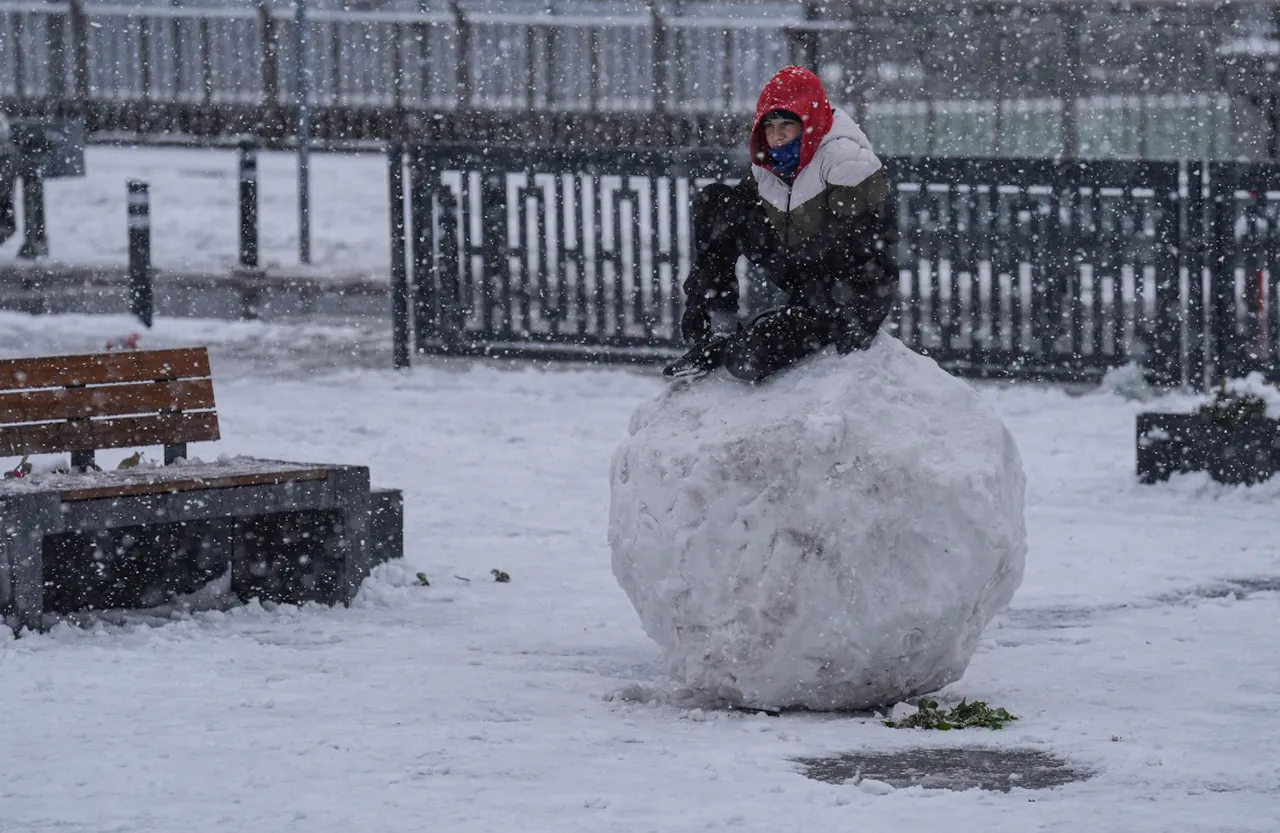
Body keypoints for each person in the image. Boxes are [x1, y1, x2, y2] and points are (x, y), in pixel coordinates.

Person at [664, 65, 898, 382]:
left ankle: (758, 337)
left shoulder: (847, 161)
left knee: (746, 361)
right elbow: (732, 221)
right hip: (801, 274)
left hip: (837, 296)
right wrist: (700, 302)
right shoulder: (770, 162)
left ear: (809, 122)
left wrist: (855, 326)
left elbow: (874, 260)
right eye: (769, 125)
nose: (776, 135)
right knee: (716, 201)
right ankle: (719, 328)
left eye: (787, 124)